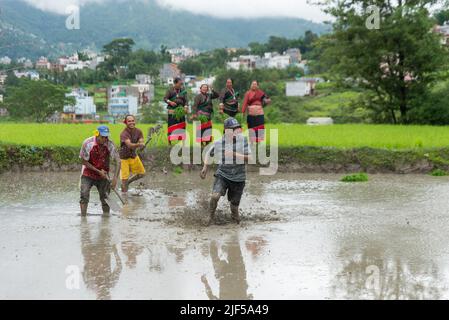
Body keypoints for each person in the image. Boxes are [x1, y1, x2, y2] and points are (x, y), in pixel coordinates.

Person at [200, 117, 251, 225]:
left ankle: (235, 223)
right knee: (215, 196)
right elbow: (209, 153)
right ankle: (210, 216)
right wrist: (205, 167)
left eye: (237, 129)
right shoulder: (219, 142)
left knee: (234, 208)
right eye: (233, 129)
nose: (235, 132)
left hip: (239, 178)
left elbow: (250, 158)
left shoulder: (243, 140)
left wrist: (234, 154)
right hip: (223, 174)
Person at [79, 125, 121, 217]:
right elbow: (83, 161)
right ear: (97, 134)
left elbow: (118, 161)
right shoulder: (87, 143)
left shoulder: (110, 144)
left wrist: (115, 179)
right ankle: (83, 218)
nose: (105, 139)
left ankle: (106, 218)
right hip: (88, 173)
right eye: (103, 137)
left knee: (105, 198)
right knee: (84, 195)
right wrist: (98, 171)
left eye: (106, 137)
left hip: (104, 175)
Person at [119, 115, 146, 194]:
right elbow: (130, 145)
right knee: (124, 180)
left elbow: (141, 140)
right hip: (124, 158)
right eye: (129, 121)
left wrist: (142, 144)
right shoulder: (124, 133)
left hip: (133, 156)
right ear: (126, 123)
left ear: (135, 121)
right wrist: (139, 145)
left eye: (132, 121)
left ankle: (129, 181)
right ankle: (125, 199)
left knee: (142, 173)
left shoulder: (139, 131)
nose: (131, 122)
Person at [164, 77, 189, 144]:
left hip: (181, 111)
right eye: (179, 83)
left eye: (181, 84)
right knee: (171, 126)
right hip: (172, 110)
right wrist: (170, 102)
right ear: (175, 83)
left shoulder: (183, 91)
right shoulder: (170, 90)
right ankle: (170, 142)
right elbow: (165, 98)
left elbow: (186, 101)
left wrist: (186, 107)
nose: (181, 85)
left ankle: (182, 142)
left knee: (182, 125)